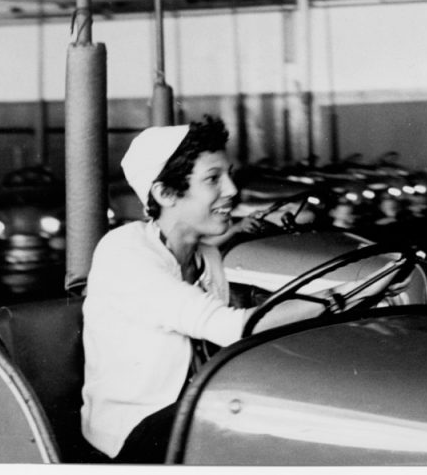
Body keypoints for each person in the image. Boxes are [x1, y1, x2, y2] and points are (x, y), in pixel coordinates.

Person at [81, 116, 403, 463]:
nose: (232, 190)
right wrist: (335, 299)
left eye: (228, 175)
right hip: (135, 432)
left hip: (191, 408)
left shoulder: (207, 256)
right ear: (164, 193)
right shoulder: (125, 251)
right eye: (213, 179)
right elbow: (234, 327)